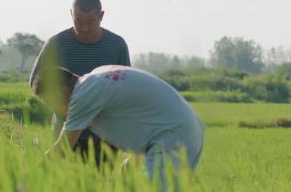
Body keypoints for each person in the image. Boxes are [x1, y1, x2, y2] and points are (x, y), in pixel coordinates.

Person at [31, 65, 205, 183]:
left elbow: (63, 149)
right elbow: (141, 113)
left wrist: (28, 179)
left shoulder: (82, 96)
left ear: (60, 91)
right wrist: (134, 157)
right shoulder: (95, 78)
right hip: (182, 129)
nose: (55, 110)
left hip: (173, 136)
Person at [29, 0, 131, 165]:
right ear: (71, 14)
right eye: (78, 21)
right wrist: (64, 109)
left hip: (104, 136)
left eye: (90, 21)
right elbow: (36, 83)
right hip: (64, 130)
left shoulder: (117, 45)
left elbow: (125, 87)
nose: (84, 28)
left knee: (101, 187)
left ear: (101, 16)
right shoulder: (56, 44)